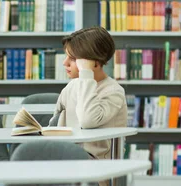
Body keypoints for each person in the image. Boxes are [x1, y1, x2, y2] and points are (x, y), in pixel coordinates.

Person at [49, 26, 128, 160]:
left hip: (97, 167)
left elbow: (87, 121)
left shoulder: (113, 92)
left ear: (95, 64)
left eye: (73, 59)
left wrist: (86, 75)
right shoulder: (72, 86)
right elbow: (54, 120)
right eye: (66, 56)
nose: (65, 63)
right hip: (67, 158)